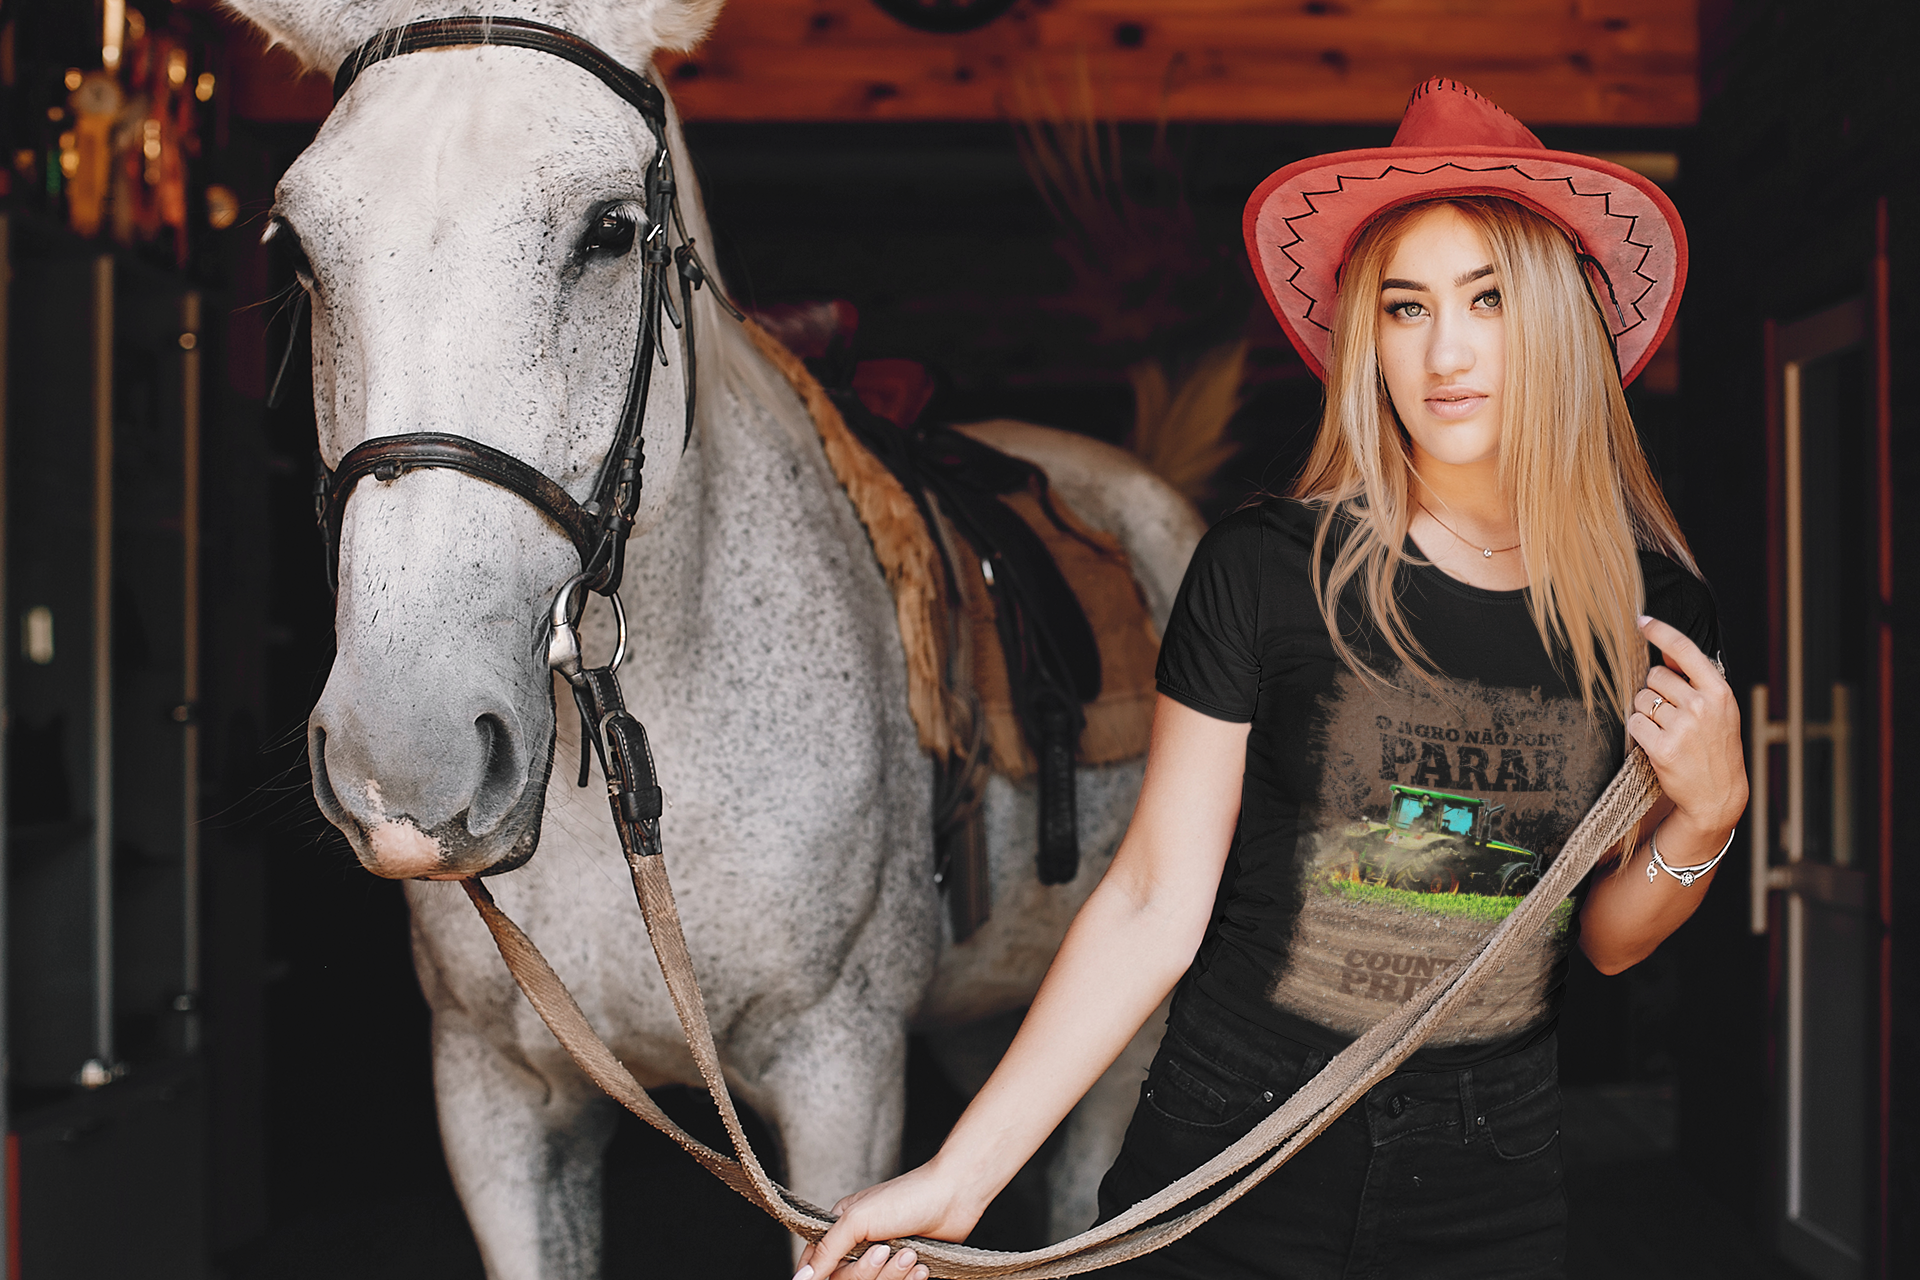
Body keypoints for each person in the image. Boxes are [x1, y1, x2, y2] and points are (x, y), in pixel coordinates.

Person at [796, 78, 1748, 1280]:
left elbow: (1600, 936)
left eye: (1487, 300)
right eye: (1404, 308)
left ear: (1554, 316)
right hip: (1227, 1148)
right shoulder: (1266, 569)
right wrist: (959, 1178)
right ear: (1369, 340)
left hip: (1490, 1182)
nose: (1444, 352)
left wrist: (1708, 814)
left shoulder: (1655, 610)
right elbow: (1151, 897)